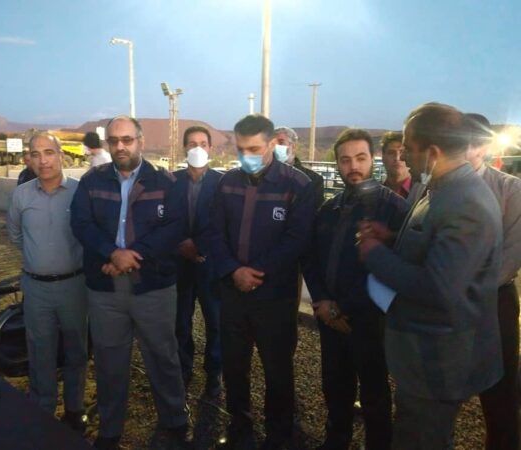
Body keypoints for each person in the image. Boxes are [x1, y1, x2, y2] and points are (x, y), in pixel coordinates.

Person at [358, 103, 503, 449]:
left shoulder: (465, 202)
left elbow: (439, 287)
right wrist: (392, 238)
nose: (403, 156)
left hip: (439, 360)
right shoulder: (443, 187)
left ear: (433, 153)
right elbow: (435, 245)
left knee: (423, 439)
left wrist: (374, 254)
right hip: (425, 354)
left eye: (409, 148)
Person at [70, 116, 192, 450]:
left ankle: (175, 420)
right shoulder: (92, 181)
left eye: (127, 139)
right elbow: (81, 223)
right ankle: (110, 428)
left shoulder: (166, 181)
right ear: (107, 144)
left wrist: (131, 255)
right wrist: (111, 252)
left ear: (140, 141)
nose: (120, 146)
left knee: (163, 356)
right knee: (109, 361)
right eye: (114, 141)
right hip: (105, 288)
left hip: (153, 286)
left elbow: (175, 227)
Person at [209, 114, 314, 449]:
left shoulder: (298, 185)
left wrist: (255, 273)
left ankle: (278, 434)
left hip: (275, 298)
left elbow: (297, 240)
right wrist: (232, 271)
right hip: (233, 295)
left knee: (277, 370)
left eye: (254, 149)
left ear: (271, 144)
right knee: (234, 367)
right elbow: (214, 234)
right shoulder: (227, 183)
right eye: (240, 149)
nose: (246, 156)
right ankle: (239, 427)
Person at [304, 129, 408, 450]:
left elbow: (392, 271)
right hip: (329, 315)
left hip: (370, 320)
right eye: (345, 160)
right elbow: (311, 258)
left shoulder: (394, 209)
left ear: (372, 159)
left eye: (360, 158)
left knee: (374, 392)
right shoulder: (329, 209)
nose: (353, 166)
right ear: (336, 163)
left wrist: (342, 308)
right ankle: (336, 440)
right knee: (335, 386)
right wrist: (322, 301)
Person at [7, 132, 88, 432]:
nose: (43, 160)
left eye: (49, 152)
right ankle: (43, 409)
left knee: (76, 349)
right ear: (28, 158)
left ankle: (74, 408)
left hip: (74, 286)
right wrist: (39, 259)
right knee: (40, 350)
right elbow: (15, 235)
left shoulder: (80, 192)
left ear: (61, 155)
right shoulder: (21, 195)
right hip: (36, 288)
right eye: (35, 154)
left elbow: (89, 235)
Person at [465, 112, 521, 450]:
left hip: (494, 301)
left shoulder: (510, 189)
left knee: (500, 388)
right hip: (449, 299)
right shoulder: (434, 186)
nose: (465, 149)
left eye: (472, 142)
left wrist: (463, 286)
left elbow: (511, 256)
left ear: (485, 145)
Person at [173, 125, 223, 397]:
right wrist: (181, 244)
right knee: (181, 321)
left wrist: (199, 246)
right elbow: (165, 218)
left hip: (210, 264)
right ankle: (184, 367)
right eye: (192, 144)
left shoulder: (222, 183)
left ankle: (214, 373)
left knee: (215, 321)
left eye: (203, 143)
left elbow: (224, 223)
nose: (197, 148)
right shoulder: (172, 181)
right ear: (184, 148)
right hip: (179, 264)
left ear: (210, 148)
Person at [274, 126, 325, 207]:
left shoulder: (313, 180)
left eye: (281, 143)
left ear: (294, 147)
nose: (275, 147)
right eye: (272, 144)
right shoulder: (261, 177)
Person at [380, 131, 424, 204]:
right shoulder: (375, 194)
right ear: (383, 157)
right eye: (391, 153)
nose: (397, 158)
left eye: (402, 152)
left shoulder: (422, 192)